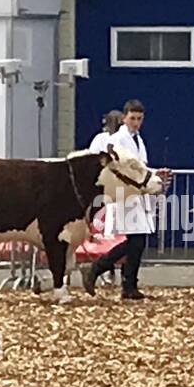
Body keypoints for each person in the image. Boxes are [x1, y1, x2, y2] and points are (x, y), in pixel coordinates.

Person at [83, 99, 169, 300]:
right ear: (124, 118)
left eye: (139, 118)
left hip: (137, 193)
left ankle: (128, 283)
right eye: (132, 118)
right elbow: (125, 168)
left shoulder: (138, 139)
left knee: (137, 240)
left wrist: (155, 174)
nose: (136, 122)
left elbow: (140, 168)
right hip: (125, 194)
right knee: (136, 240)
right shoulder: (118, 140)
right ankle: (100, 269)